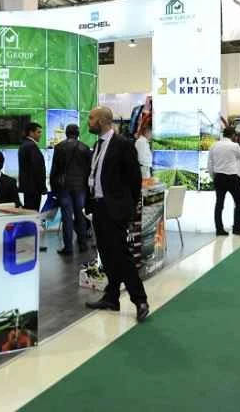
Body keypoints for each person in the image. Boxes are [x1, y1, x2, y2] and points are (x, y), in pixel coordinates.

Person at [84, 107, 149, 322]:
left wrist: (127, 207)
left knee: (121, 256)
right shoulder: (97, 145)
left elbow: (134, 180)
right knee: (106, 255)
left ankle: (140, 300)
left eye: (91, 118)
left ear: (103, 120)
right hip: (99, 208)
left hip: (115, 210)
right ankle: (112, 297)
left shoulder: (123, 144)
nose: (88, 121)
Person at [49, 124, 91, 255]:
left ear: (66, 133)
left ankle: (68, 248)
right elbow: (89, 170)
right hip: (80, 187)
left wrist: (53, 188)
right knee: (80, 215)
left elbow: (55, 169)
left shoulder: (59, 147)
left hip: (64, 187)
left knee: (66, 216)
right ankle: (83, 244)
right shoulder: (85, 148)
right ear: (78, 133)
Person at [208, 127, 240, 237]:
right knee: (239, 202)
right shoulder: (235, 146)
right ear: (233, 135)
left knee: (219, 204)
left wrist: (213, 176)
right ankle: (237, 228)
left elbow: (210, 164)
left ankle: (219, 229)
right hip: (232, 178)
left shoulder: (214, 145)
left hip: (219, 177)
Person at [18, 122, 46, 211]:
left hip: (28, 186)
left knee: (29, 211)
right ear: (31, 133)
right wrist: (42, 187)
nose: (40, 135)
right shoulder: (31, 146)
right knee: (33, 212)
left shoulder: (24, 144)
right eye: (38, 132)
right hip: (34, 187)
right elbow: (37, 169)